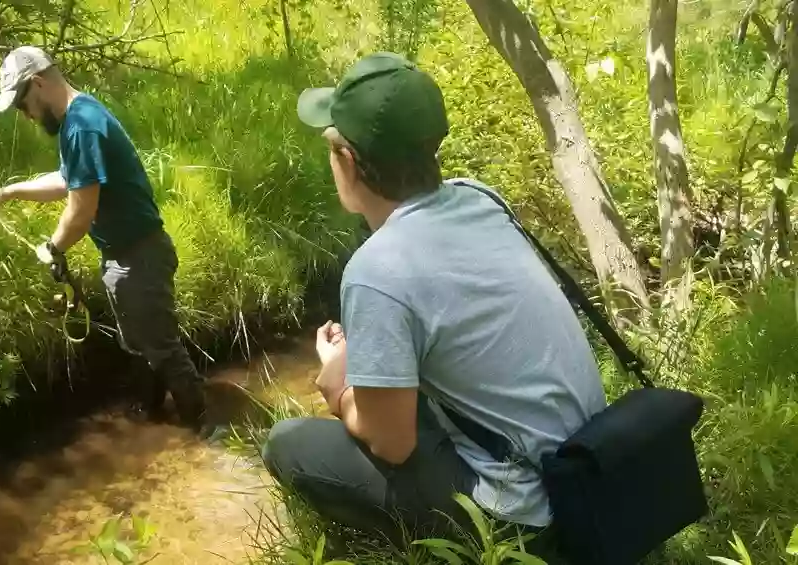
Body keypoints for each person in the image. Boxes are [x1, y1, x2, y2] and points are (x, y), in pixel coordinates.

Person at [260, 51, 608, 554]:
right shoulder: (479, 197)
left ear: (349, 163)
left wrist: (339, 385)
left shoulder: (375, 269)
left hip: (527, 520)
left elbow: (392, 444)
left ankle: (421, 547)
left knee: (288, 445)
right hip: (586, 469)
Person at [0, 46, 208, 433]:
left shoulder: (81, 125)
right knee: (139, 346)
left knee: (162, 349)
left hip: (140, 258)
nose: (27, 115)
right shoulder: (78, 118)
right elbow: (70, 180)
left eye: (24, 105)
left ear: (38, 82)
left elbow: (81, 210)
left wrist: (53, 247)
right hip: (126, 257)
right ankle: (151, 417)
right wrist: (11, 191)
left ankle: (204, 430)